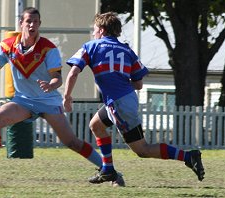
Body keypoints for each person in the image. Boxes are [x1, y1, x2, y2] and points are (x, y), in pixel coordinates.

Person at [0, 7, 125, 186]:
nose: (32, 25)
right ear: (21, 23)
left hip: (48, 101)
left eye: (35, 22)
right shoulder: (7, 46)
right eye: (28, 21)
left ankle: (110, 171)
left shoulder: (48, 48)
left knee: (72, 142)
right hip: (23, 101)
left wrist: (52, 84)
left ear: (39, 25)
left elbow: (58, 78)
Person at [63, 12, 205, 184]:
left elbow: (73, 73)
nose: (93, 33)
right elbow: (138, 84)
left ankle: (188, 156)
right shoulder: (127, 50)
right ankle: (108, 170)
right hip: (124, 100)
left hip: (118, 103)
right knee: (96, 125)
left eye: (94, 30)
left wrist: (67, 97)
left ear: (101, 30)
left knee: (142, 149)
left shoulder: (91, 46)